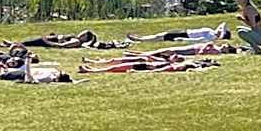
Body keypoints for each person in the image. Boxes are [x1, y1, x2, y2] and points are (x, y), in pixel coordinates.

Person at [0, 55, 74, 84]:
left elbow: (31, 79)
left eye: (60, 73)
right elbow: (72, 81)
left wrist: (27, 64)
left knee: (5, 75)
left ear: (58, 78)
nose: (58, 71)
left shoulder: (47, 79)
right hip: (24, 72)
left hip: (24, 76)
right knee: (7, 71)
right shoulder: (52, 74)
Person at [79, 58, 219, 74]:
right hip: (149, 64)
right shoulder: (188, 63)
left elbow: (166, 69)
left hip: (148, 67)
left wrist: (142, 73)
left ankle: (93, 71)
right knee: (117, 67)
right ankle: (93, 69)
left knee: (116, 69)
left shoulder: (189, 65)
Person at [127, 22, 230, 43]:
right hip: (184, 32)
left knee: (161, 37)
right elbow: (223, 24)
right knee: (161, 36)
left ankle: (140, 39)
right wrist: (222, 31)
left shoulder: (211, 36)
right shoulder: (213, 32)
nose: (219, 29)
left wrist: (183, 39)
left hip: (184, 35)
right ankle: (141, 39)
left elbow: (198, 40)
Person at [118, 42, 237, 59]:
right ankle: (132, 54)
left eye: (227, 46)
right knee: (160, 52)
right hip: (190, 49)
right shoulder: (215, 48)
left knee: (161, 53)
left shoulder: (217, 50)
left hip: (189, 51)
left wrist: (204, 50)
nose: (225, 45)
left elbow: (204, 49)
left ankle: (131, 55)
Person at [0, 30, 101, 49]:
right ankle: (9, 44)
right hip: (52, 38)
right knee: (30, 42)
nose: (81, 32)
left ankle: (8, 45)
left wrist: (47, 42)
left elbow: (62, 46)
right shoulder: (75, 37)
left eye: (84, 33)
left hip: (51, 41)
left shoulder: (76, 41)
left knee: (30, 43)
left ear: (85, 37)